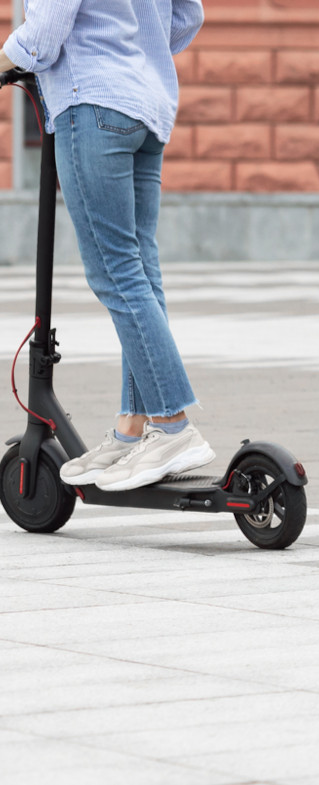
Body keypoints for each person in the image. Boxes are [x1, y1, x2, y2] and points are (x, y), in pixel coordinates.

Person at [4, 0, 217, 492]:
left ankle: (173, 426)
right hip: (146, 108)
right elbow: (188, 16)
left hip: (93, 103)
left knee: (116, 274)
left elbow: (45, 33)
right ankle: (133, 426)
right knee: (140, 269)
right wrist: (135, 52)